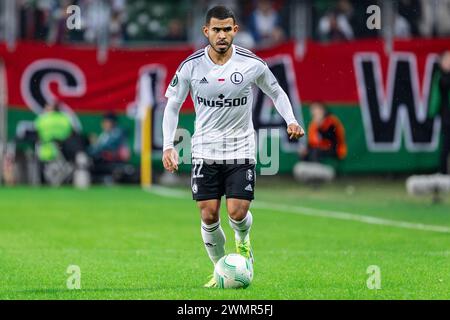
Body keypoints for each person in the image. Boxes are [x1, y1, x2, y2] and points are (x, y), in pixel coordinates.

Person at [162, 5, 304, 288]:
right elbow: (172, 106)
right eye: (216, 29)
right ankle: (221, 270)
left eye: (227, 29)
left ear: (235, 31)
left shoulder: (251, 63)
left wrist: (291, 119)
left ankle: (243, 240)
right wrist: (169, 145)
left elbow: (276, 91)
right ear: (206, 32)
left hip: (240, 148)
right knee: (208, 213)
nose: (222, 35)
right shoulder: (190, 66)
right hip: (204, 149)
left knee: (237, 212)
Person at [88, 112, 130, 182]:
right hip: (104, 162)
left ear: (113, 123)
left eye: (107, 122)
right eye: (104, 122)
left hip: (116, 162)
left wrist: (94, 145)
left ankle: (110, 178)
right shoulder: (104, 135)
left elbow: (105, 147)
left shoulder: (117, 133)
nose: (105, 124)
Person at [428, 51, 450, 174]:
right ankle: (443, 172)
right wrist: (432, 113)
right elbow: (436, 98)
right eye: (447, 60)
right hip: (447, 117)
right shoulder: (440, 77)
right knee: (446, 147)